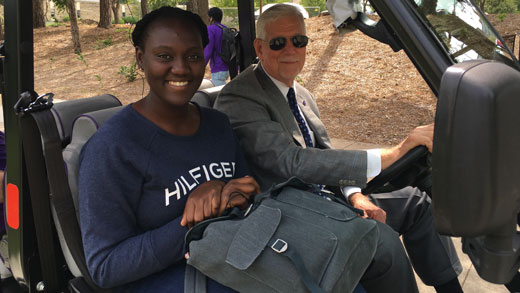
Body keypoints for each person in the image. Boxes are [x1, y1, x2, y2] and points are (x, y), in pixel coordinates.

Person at [214, 4, 463, 292]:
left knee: (417, 203)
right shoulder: (240, 96)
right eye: (278, 43)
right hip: (289, 213)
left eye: (299, 41)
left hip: (328, 200)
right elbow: (291, 161)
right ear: (259, 47)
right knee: (382, 241)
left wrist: (354, 193)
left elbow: (325, 153)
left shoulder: (301, 94)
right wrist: (394, 153)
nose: (290, 50)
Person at [78, 7, 259, 291]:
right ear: (141, 59)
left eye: (193, 56)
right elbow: (105, 266)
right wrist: (193, 224)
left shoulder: (218, 125)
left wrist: (236, 195)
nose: (181, 68)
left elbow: (247, 195)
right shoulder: (112, 148)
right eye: (164, 56)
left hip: (239, 261)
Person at [204, 7, 230, 86]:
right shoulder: (225, 29)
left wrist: (201, 65)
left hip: (218, 69)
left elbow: (208, 51)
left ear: (211, 18)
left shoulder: (210, 29)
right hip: (228, 67)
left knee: (219, 95)